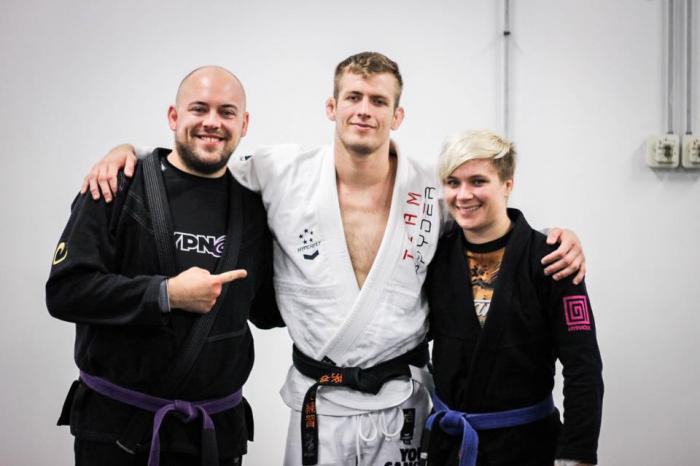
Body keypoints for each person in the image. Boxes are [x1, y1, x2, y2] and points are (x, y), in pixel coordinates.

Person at [79, 52, 586, 466]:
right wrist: (130, 152)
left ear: (397, 115)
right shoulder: (281, 171)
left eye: (379, 100)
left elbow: (488, 223)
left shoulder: (431, 188)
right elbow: (204, 155)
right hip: (319, 402)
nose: (365, 110)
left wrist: (551, 239)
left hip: (402, 399)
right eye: (354, 97)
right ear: (332, 106)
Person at [46, 66, 282, 466]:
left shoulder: (256, 208)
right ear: (174, 117)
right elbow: (66, 292)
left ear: (244, 124)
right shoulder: (117, 185)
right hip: (117, 433)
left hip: (215, 437)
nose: (212, 122)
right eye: (199, 109)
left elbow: (268, 310)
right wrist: (164, 294)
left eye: (226, 112)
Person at [423, 130, 603, 466]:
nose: (463, 195)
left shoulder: (552, 259)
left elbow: (583, 366)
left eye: (478, 181)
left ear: (507, 184)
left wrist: (576, 454)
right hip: (451, 446)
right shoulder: (435, 257)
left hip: (528, 446)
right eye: (453, 182)